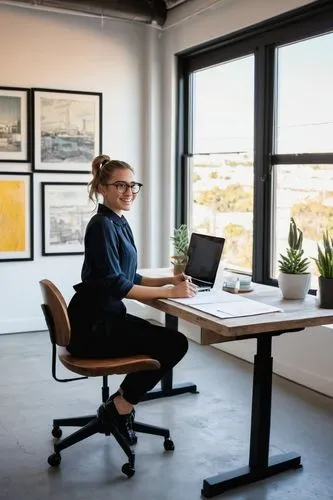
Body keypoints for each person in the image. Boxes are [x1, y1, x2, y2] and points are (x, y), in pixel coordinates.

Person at [67, 154, 197, 445]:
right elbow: (118, 285)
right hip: (93, 327)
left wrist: (168, 280)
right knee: (175, 343)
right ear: (102, 188)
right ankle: (119, 408)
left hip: (106, 316)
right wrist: (169, 293)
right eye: (120, 186)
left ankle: (119, 405)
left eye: (132, 185)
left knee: (167, 341)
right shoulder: (101, 224)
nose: (128, 192)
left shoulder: (118, 222)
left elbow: (130, 277)